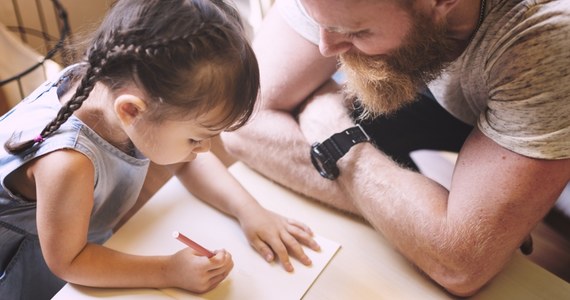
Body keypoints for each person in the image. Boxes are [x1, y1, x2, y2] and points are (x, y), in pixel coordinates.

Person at [222, 0, 570, 296]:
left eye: (356, 31)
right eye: (317, 21)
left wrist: (336, 139)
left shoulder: (548, 36)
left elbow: (461, 266)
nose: (325, 46)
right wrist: (413, 220)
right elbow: (241, 121)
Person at [0, 0, 321, 299]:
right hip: (31, 263)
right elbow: (69, 261)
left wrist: (250, 211)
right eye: (196, 139)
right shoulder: (67, 164)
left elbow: (186, 161)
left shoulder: (116, 84)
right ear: (131, 111)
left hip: (68, 237)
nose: (204, 149)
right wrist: (168, 270)